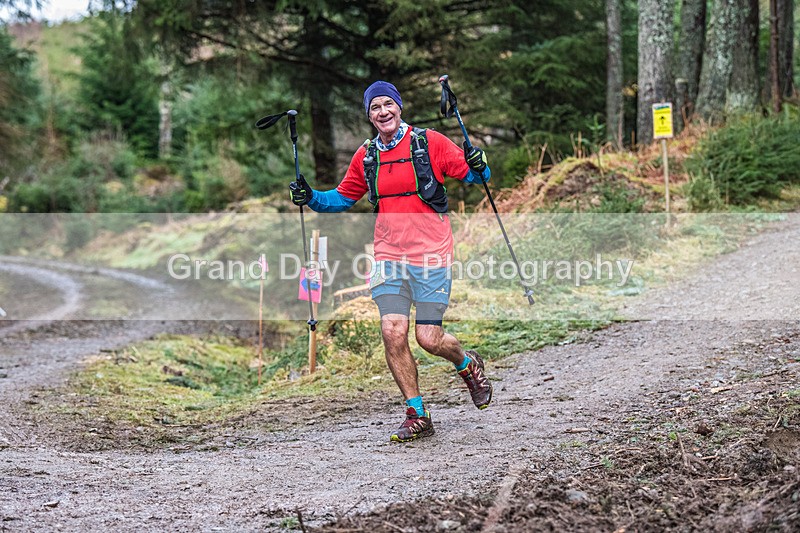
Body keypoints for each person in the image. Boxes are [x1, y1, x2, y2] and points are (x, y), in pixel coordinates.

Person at [289, 80, 493, 442]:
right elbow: (341, 198)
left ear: (399, 107)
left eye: (388, 104)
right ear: (369, 116)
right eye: (375, 107)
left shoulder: (429, 143)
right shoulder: (367, 156)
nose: (383, 112)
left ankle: (467, 363)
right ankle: (417, 413)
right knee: (392, 331)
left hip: (431, 253)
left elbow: (475, 176)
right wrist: (310, 196)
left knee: (429, 338)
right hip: (388, 256)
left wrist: (480, 163)